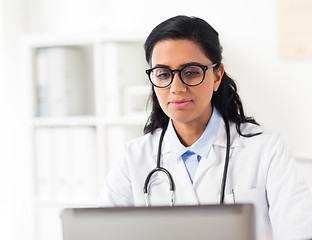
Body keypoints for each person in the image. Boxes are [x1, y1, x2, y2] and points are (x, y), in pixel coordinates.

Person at [100, 15, 312, 240]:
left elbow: (298, 231)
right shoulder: (133, 158)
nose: (176, 87)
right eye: (163, 74)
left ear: (217, 76)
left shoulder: (266, 149)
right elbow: (100, 232)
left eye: (190, 72)